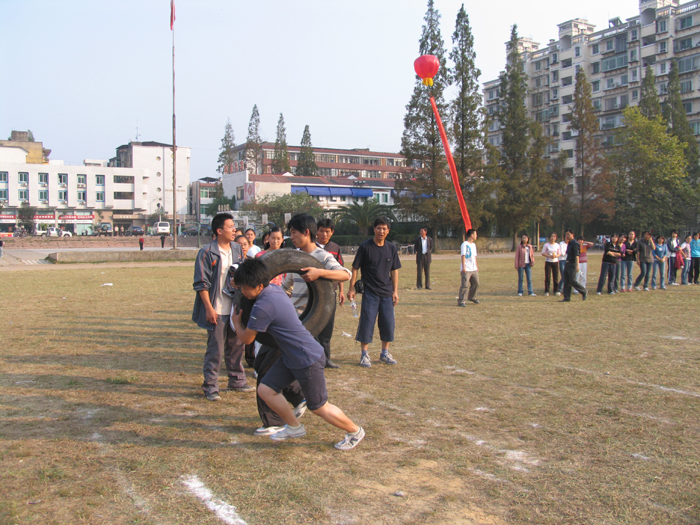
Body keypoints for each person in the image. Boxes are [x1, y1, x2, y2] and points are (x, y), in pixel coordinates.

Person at [232, 257, 365, 450]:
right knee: (266, 390)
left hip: (306, 358)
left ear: (259, 285)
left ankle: (355, 431)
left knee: (319, 407)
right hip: (290, 356)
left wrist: (237, 323)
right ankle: (294, 427)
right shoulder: (274, 289)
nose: (243, 292)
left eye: (245, 288)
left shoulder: (263, 306)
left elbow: (247, 339)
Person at [192, 213, 254, 401]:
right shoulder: (207, 252)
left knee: (236, 346)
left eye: (234, 226)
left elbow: (241, 274)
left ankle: (237, 381)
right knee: (216, 349)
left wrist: (238, 282)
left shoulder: (236, 249)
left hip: (234, 307)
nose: (234, 230)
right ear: (219, 231)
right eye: (230, 227)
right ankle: (210, 386)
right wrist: (209, 308)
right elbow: (201, 284)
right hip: (216, 308)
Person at [280, 216, 351, 371]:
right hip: (294, 316)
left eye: (293, 232)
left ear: (306, 232)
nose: (291, 237)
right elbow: (285, 287)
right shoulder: (294, 256)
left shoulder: (323, 256)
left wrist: (319, 272)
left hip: (311, 317)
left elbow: (346, 274)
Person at [348, 216, 401, 368]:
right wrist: (351, 288)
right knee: (367, 323)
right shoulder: (365, 247)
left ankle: (385, 353)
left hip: (387, 293)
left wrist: (395, 291)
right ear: (374, 229)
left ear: (388, 231)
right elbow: (355, 268)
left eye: (384, 228)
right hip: (370, 292)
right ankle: (364, 355)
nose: (381, 231)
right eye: (378, 228)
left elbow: (394, 271)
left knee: (388, 324)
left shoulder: (391, 248)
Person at [316, 218, 346, 369]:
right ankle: (315, 359)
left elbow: (340, 270)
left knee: (327, 327)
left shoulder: (335, 248)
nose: (324, 234)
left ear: (332, 232)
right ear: (316, 231)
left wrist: (341, 291)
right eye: (321, 231)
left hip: (330, 292)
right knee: (314, 326)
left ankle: (326, 359)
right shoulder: (311, 247)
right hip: (314, 293)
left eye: (327, 231)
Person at [560, 229, 588, 302]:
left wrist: (577, 265)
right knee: (566, 281)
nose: (567, 236)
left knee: (572, 280)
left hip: (572, 264)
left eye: (568, 234)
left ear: (572, 234)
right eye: (566, 234)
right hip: (567, 263)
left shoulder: (575, 243)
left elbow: (577, 255)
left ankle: (583, 291)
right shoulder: (569, 243)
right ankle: (567, 297)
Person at [458, 228, 479, 306]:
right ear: (471, 235)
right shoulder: (465, 244)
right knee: (465, 285)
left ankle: (472, 297)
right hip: (467, 268)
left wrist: (476, 266)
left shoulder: (473, 245)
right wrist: (464, 267)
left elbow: (475, 256)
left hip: (473, 268)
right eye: (475, 234)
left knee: (476, 283)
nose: (476, 236)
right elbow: (463, 255)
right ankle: (461, 300)